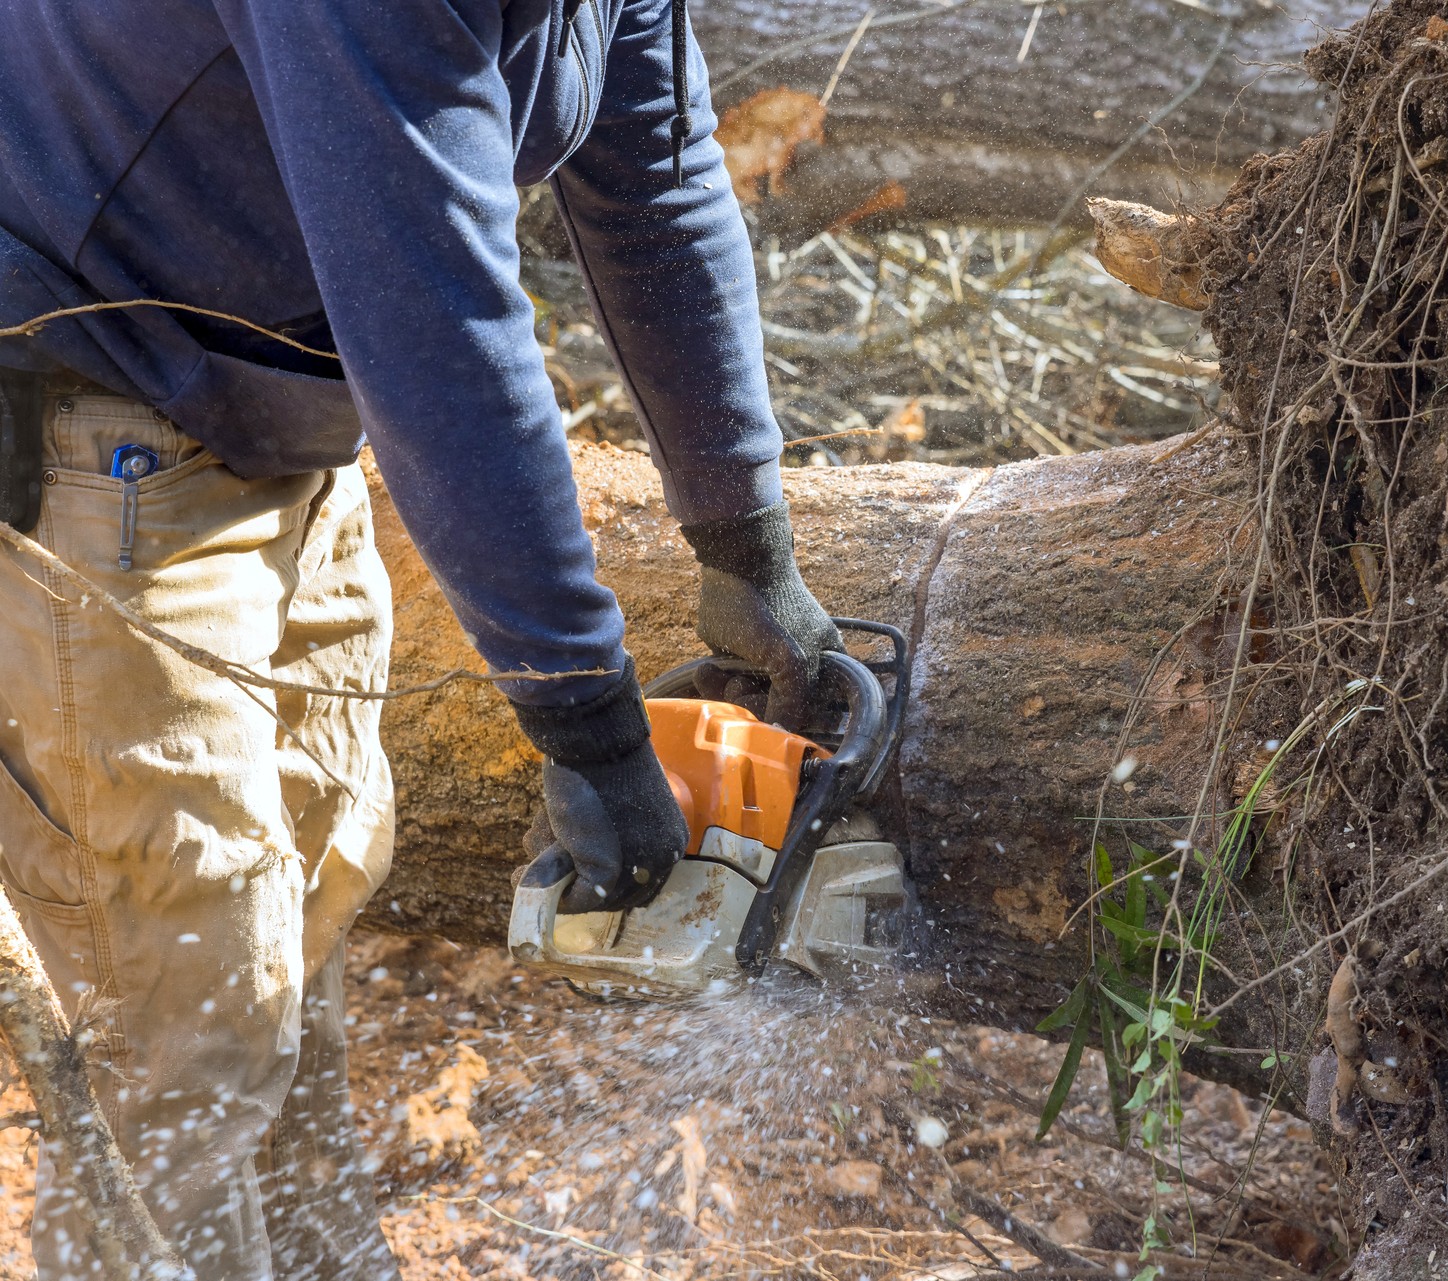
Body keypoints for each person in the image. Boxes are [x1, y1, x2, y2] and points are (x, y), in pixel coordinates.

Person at [0, 1, 842, 1274]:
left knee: (305, 920)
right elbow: (434, 305)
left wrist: (745, 544)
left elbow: (659, 182)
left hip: (277, 419)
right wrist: (579, 706)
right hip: (90, 419)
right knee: (184, 1020)